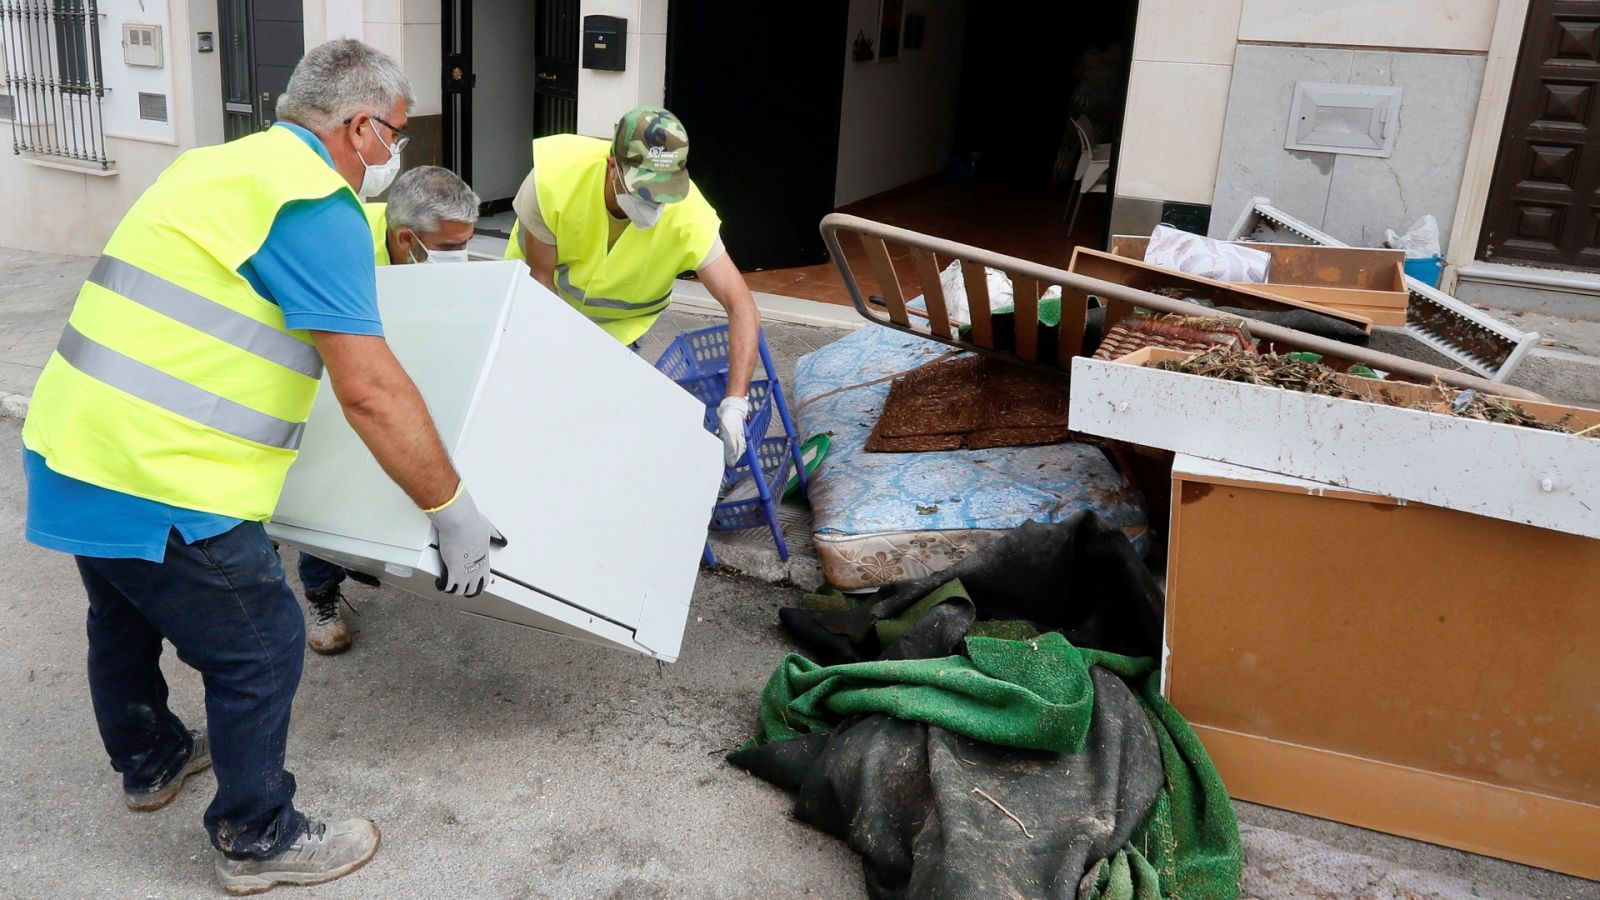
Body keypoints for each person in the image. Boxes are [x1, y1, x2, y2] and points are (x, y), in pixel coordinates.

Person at [20, 39, 503, 895]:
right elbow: (372, 393)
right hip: (163, 472)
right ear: (359, 127)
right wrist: (451, 506)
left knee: (124, 615)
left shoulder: (213, 166)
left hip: (75, 441)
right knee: (264, 643)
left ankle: (151, 760)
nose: (397, 153)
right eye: (396, 134)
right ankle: (257, 836)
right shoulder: (315, 205)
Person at [506, 105, 761, 467]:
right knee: (537, 415)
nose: (653, 203)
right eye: (643, 190)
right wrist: (559, 368)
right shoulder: (553, 181)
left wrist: (736, 402)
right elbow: (541, 282)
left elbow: (742, 306)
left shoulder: (690, 217)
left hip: (617, 333)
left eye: (664, 193)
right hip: (541, 308)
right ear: (613, 166)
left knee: (601, 432)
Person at [298, 164, 482, 655]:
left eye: (466, 243)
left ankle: (375, 547)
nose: (460, 258)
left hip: (389, 372)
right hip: (334, 375)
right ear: (405, 239)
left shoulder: (424, 256)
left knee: (401, 463)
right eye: (448, 249)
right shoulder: (342, 244)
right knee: (330, 481)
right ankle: (321, 592)